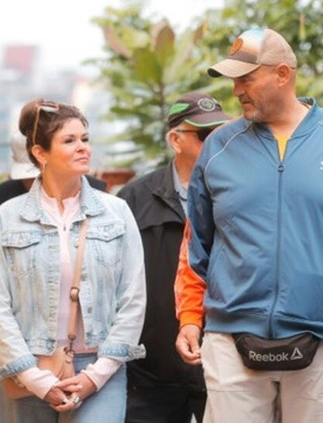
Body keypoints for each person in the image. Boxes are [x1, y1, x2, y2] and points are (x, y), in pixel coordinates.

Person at [179, 27, 323, 422]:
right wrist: (195, 314)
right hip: (230, 337)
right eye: (233, 80)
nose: (237, 90)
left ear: (282, 74)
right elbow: (196, 247)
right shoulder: (218, 148)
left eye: (246, 78)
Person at [0, 99, 146, 421]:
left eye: (85, 139)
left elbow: (133, 300)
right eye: (69, 141)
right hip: (26, 366)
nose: (83, 148)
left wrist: (96, 375)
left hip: (100, 366)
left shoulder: (116, 213)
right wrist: (34, 378)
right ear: (40, 153)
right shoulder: (8, 217)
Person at [0, 131, 106, 399]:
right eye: (26, 179)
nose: (33, 185)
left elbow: (127, 291)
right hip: (19, 353)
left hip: (93, 359)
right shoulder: (3, 205)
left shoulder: (103, 202)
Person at [118, 92, 230, 423]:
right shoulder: (135, 199)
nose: (217, 143)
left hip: (223, 355)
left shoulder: (238, 192)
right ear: (175, 140)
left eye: (222, 133)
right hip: (153, 367)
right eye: (205, 135)